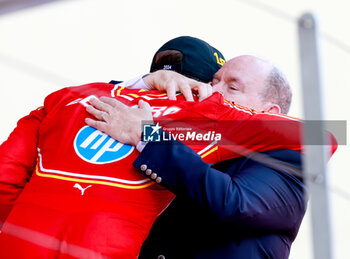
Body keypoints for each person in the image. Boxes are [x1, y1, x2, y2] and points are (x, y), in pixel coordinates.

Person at [85, 56, 337, 258]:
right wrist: (149, 82)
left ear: (269, 113)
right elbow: (97, 103)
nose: (212, 91)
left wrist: (150, 136)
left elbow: (236, 204)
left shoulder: (288, 157)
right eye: (214, 81)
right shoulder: (192, 143)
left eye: (232, 87)